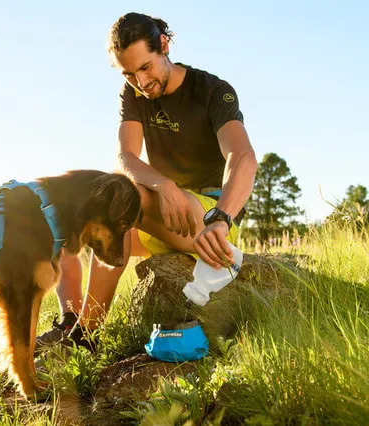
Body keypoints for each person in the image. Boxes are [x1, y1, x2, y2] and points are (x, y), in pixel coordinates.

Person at [35, 12, 258, 352]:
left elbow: (242, 157)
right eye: (129, 74)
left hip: (208, 216)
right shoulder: (133, 94)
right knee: (75, 218)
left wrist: (222, 218)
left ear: (164, 45)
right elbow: (125, 158)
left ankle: (86, 336)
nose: (141, 82)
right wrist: (164, 185)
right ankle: (76, 325)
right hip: (161, 213)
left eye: (146, 67)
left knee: (123, 197)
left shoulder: (211, 90)